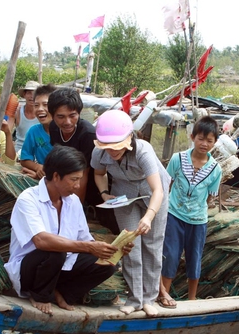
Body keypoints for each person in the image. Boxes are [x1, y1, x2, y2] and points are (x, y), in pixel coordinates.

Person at [4, 145, 132, 315]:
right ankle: (40, 295)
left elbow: (86, 240)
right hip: (31, 270)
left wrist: (114, 249)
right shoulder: (28, 199)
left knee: (107, 265)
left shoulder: (73, 201)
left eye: (79, 179)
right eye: (74, 179)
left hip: (60, 267)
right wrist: (88, 247)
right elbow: (41, 241)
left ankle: (62, 292)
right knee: (55, 251)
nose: (78, 186)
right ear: (56, 176)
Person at [91, 109, 171, 317]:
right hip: (123, 193)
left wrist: (149, 216)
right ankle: (135, 299)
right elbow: (99, 173)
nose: (112, 151)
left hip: (152, 192)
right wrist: (104, 193)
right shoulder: (99, 153)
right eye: (107, 147)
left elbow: (158, 190)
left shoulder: (143, 150)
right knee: (129, 244)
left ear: (128, 139)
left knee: (152, 245)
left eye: (116, 147)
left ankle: (149, 298)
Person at [160, 116, 222, 306]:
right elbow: (165, 184)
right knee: (170, 255)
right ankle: (164, 295)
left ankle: (192, 299)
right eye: (201, 139)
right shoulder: (178, 159)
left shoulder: (215, 169)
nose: (204, 144)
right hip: (174, 215)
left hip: (198, 220)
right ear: (192, 137)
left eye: (209, 140)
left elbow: (211, 197)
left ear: (215, 142)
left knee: (194, 258)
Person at [48, 88, 119, 234]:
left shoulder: (87, 134)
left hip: (94, 184)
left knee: (108, 225)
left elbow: (84, 176)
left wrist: (74, 210)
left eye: (72, 115)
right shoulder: (54, 128)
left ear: (79, 113)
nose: (67, 122)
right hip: (70, 182)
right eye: (60, 117)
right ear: (52, 116)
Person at [20, 84, 57, 178]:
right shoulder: (33, 131)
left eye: (45, 105)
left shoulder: (65, 131)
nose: (40, 109)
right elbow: (24, 159)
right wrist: (38, 167)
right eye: (36, 105)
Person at [14, 80, 40, 152]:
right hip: (20, 150)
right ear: (24, 95)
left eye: (35, 93)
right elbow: (6, 120)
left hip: (38, 150)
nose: (32, 96)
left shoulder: (43, 113)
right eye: (29, 93)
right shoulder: (18, 111)